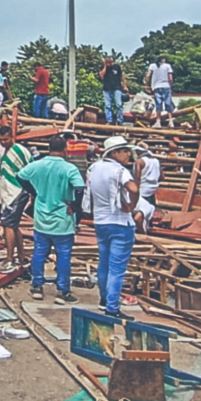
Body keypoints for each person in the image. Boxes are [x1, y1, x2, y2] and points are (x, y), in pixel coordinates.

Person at [19, 134, 84, 305]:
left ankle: (37, 286)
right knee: (63, 256)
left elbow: (20, 176)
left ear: (48, 148)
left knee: (39, 252)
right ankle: (62, 291)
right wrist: (76, 207)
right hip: (62, 218)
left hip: (41, 218)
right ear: (65, 150)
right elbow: (79, 188)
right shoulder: (69, 168)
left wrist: (35, 192)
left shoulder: (38, 165)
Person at [87, 136, 141, 316]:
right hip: (120, 222)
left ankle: (104, 299)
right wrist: (131, 205)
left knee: (104, 264)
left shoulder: (95, 168)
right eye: (125, 151)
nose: (128, 154)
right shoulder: (119, 170)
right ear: (115, 152)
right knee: (117, 268)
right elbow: (133, 189)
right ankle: (112, 307)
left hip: (101, 221)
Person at [0, 125, 33, 273]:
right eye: (0, 140)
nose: (3, 142)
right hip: (8, 193)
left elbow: (31, 169)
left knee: (8, 225)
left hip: (17, 191)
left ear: (12, 137)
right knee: (14, 224)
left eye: (5, 139)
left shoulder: (20, 151)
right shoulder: (4, 153)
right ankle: (21, 256)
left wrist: (31, 190)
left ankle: (10, 259)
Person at [133, 143, 160, 233]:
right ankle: (148, 231)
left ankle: (141, 232)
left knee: (141, 214)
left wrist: (134, 191)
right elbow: (162, 176)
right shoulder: (156, 161)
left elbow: (137, 177)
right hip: (152, 191)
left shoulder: (139, 162)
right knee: (149, 214)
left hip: (142, 192)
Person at [143, 56, 175, 128]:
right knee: (168, 103)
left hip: (156, 87)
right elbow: (170, 77)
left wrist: (147, 85)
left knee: (158, 104)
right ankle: (171, 121)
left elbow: (148, 76)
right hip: (166, 86)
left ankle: (158, 122)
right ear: (163, 59)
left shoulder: (152, 66)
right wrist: (170, 85)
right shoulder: (167, 66)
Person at [99, 57, 128, 126]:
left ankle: (119, 120)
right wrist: (105, 66)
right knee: (107, 105)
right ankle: (109, 120)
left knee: (118, 104)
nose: (109, 64)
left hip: (117, 87)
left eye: (110, 62)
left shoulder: (117, 67)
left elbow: (121, 77)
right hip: (107, 88)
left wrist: (125, 86)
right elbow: (101, 75)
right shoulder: (103, 67)